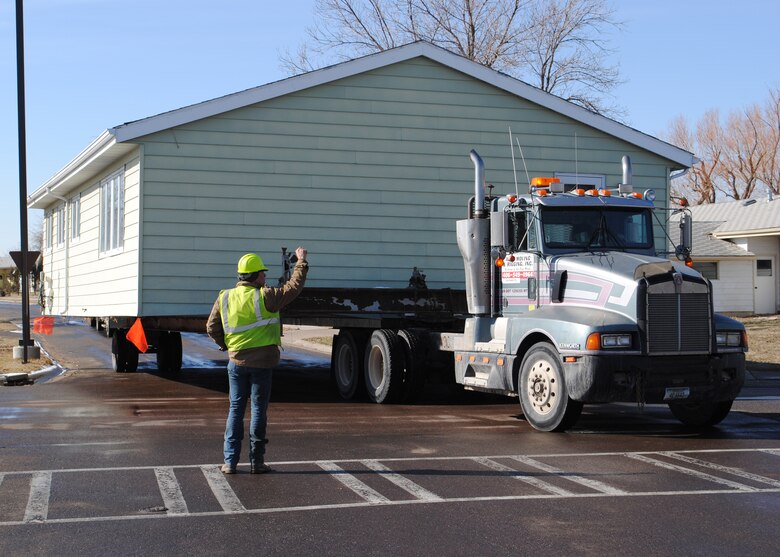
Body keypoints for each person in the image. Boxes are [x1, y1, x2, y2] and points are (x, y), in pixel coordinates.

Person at [207, 247, 308, 474]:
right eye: (262, 273)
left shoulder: (225, 297)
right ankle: (257, 462)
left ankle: (230, 462)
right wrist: (301, 262)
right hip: (262, 365)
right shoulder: (265, 296)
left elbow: (211, 327)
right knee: (258, 410)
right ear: (254, 276)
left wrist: (227, 346)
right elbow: (293, 289)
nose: (265, 276)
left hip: (236, 363)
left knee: (235, 409)